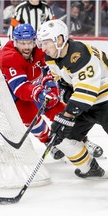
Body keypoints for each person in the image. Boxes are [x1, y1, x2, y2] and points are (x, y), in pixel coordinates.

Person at [0, 23, 103, 163]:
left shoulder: (41, 50)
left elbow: (48, 71)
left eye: (30, 42)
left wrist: (51, 86)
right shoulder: (8, 56)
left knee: (60, 111)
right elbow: (20, 87)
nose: (27, 47)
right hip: (13, 93)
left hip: (35, 86)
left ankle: (83, 140)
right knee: (30, 118)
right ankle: (48, 141)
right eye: (22, 43)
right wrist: (39, 92)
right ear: (15, 42)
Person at [36, 19, 107, 178]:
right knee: (62, 138)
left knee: (62, 126)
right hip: (87, 105)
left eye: (47, 43)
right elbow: (62, 84)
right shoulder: (51, 58)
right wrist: (64, 96)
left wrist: (66, 116)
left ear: (60, 39)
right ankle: (91, 169)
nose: (43, 48)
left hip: (105, 101)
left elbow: (86, 92)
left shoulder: (79, 54)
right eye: (41, 43)